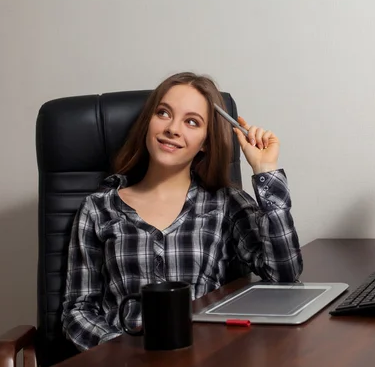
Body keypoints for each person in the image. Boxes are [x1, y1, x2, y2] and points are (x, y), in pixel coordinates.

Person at [61, 72, 303, 351]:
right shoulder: (98, 208)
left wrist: (265, 170)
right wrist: (120, 352)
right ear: (147, 123)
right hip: (125, 366)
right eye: (163, 113)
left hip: (206, 360)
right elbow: (78, 311)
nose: (173, 129)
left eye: (191, 122)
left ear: (206, 142)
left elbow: (284, 275)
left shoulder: (226, 203)